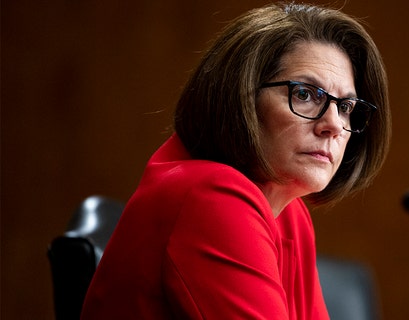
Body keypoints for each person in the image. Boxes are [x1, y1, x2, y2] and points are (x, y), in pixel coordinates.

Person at [81, 2, 390, 319]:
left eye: (346, 106)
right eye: (305, 94)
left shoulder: (290, 215)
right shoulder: (210, 197)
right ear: (242, 96)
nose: (334, 125)